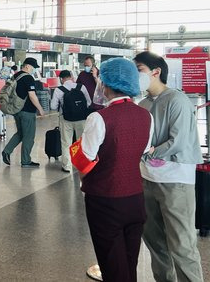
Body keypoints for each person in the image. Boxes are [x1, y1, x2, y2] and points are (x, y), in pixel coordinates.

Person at [79, 57, 153, 282]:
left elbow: (85, 161)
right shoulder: (146, 115)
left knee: (112, 266)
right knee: (129, 262)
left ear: (106, 84)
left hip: (105, 201)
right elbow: (143, 150)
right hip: (136, 199)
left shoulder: (99, 118)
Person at [134, 51, 204, 282]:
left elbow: (179, 140)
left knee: (182, 246)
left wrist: (148, 151)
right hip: (148, 178)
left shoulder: (177, 100)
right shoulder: (143, 103)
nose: (136, 75)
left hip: (176, 181)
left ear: (156, 72)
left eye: (140, 69)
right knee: (155, 243)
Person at [1, 58, 45, 168]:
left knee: (20, 133)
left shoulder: (16, 75)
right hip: (27, 112)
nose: (34, 70)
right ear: (27, 66)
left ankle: (7, 151)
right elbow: (32, 95)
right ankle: (26, 161)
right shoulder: (28, 78)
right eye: (34, 67)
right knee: (28, 136)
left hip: (17, 110)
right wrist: (40, 108)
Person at [50, 70, 91, 172]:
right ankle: (81, 165)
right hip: (81, 119)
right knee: (81, 142)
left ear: (61, 79)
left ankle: (67, 166)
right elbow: (89, 103)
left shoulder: (59, 90)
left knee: (66, 143)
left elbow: (53, 106)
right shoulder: (81, 87)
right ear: (71, 77)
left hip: (66, 119)